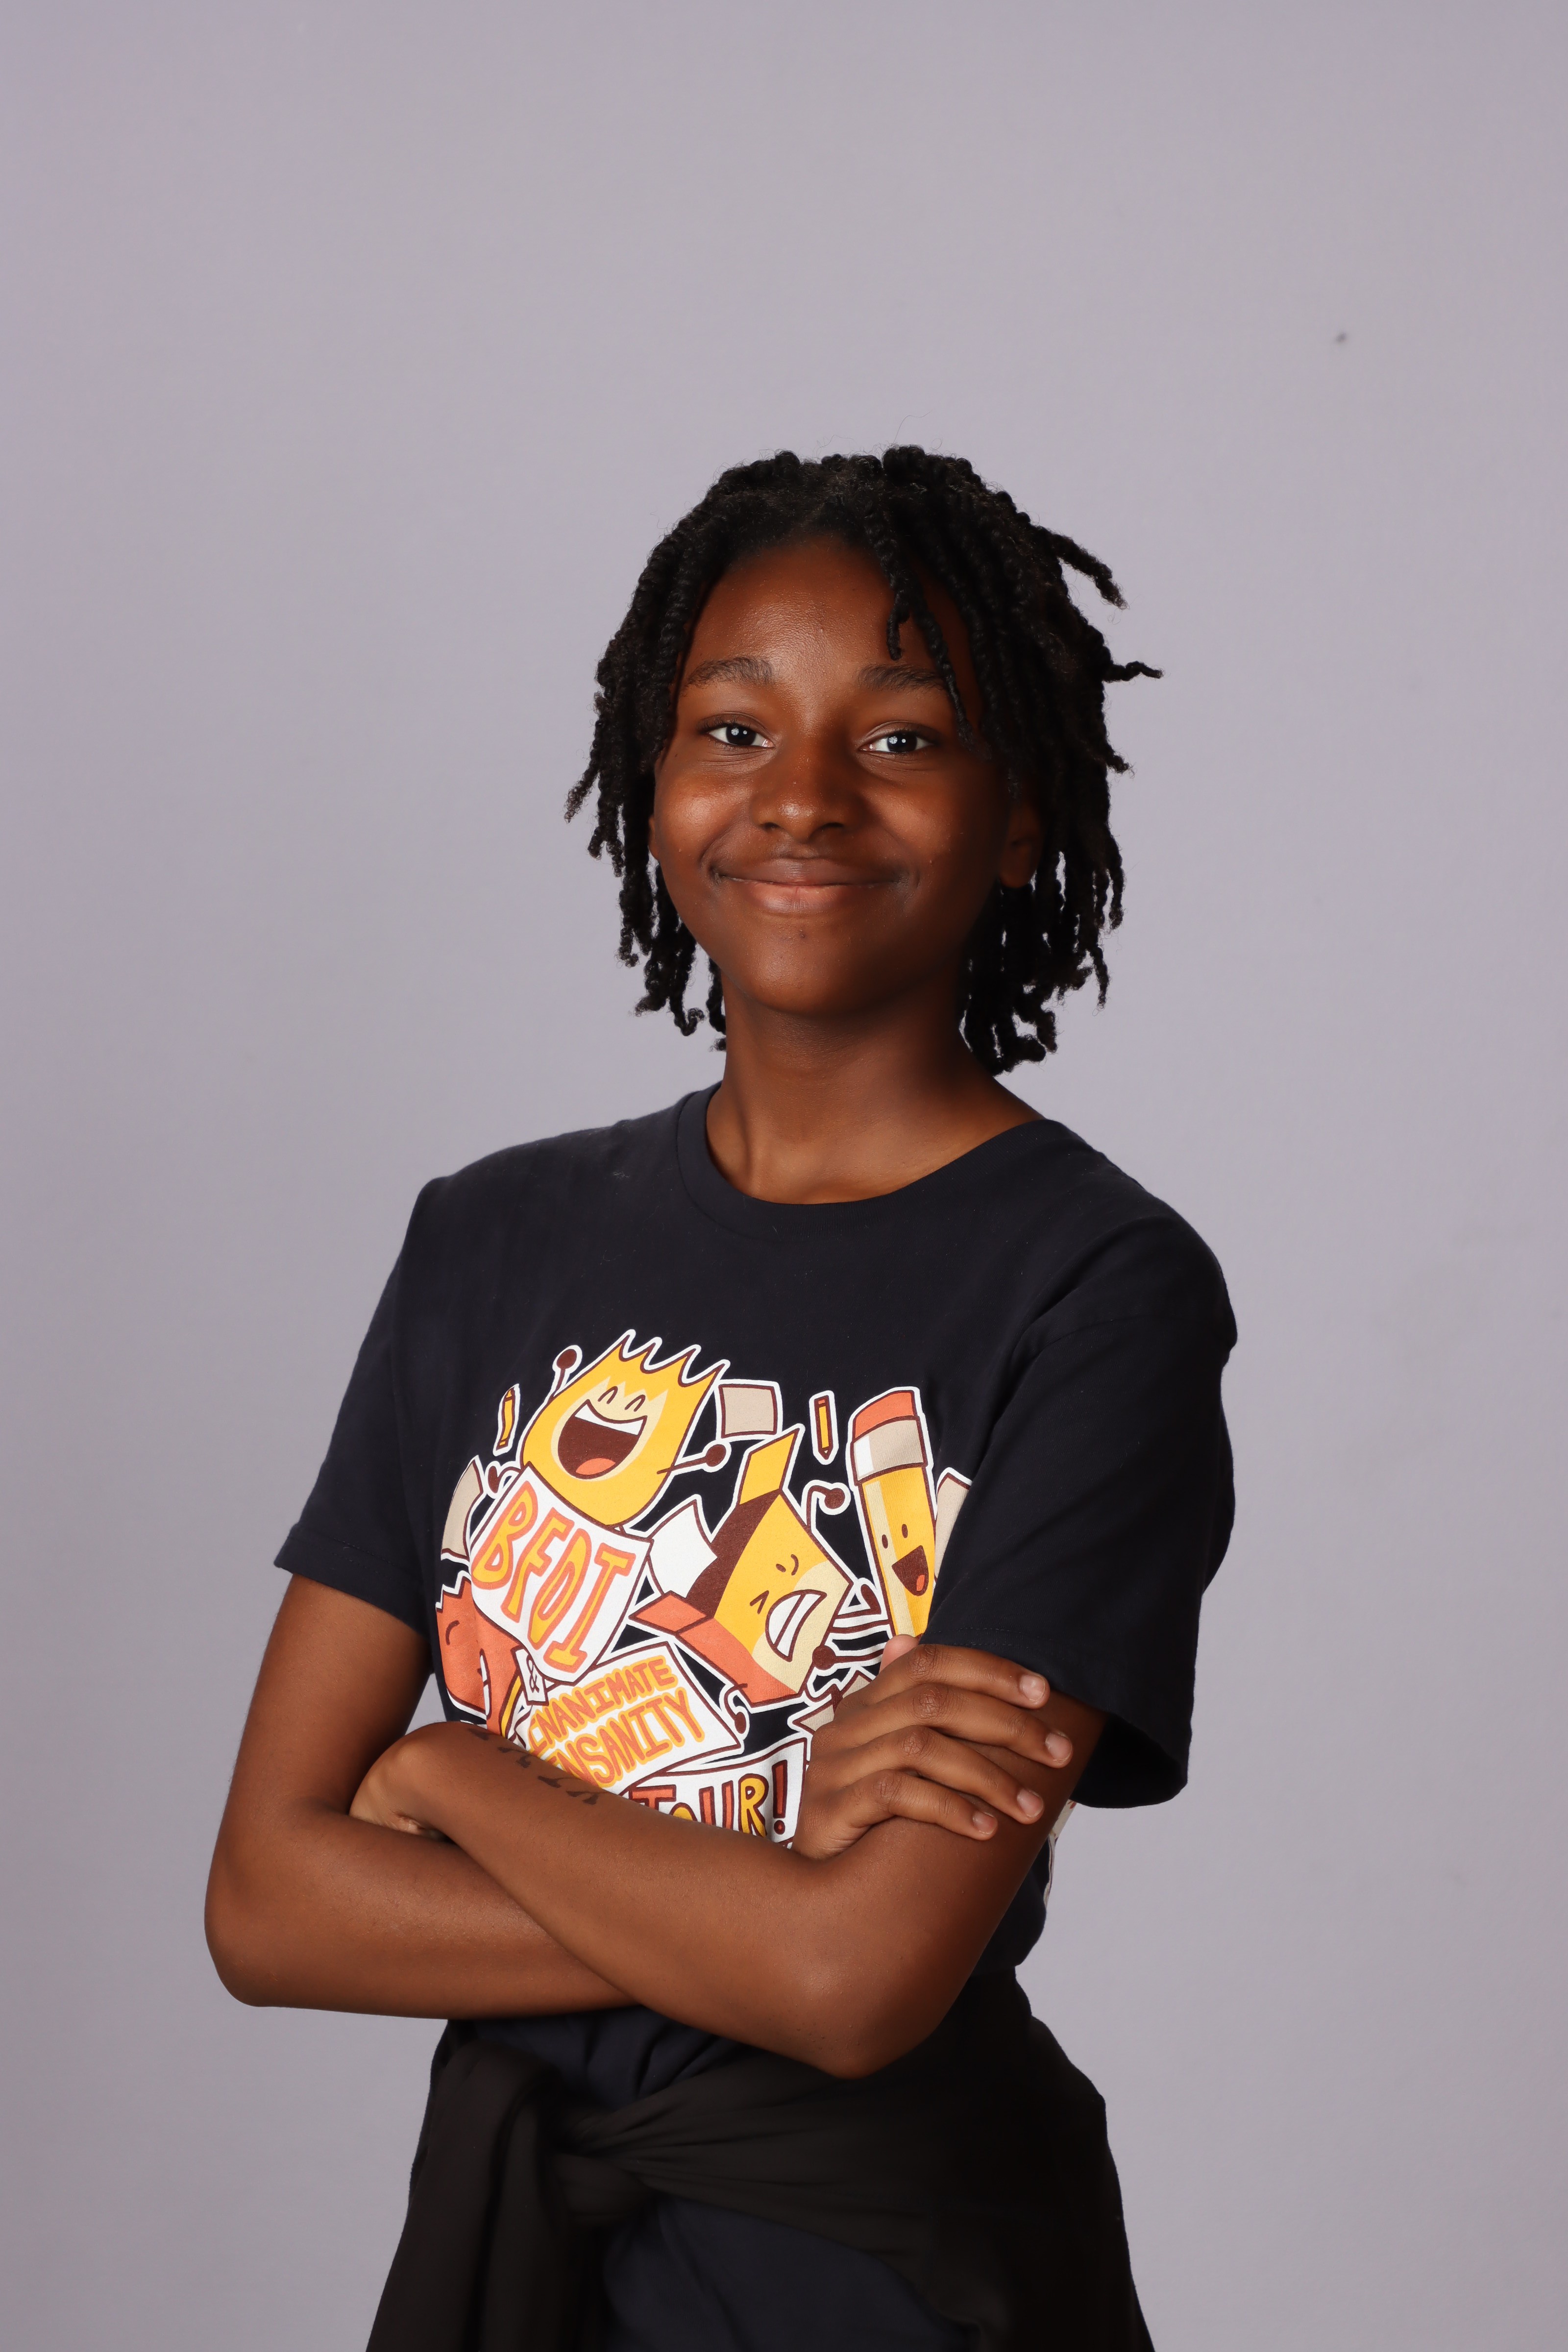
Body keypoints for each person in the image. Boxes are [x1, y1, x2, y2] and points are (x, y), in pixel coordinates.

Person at [206, 447, 1236, 2352]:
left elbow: (857, 1986)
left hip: (882, 2277)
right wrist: (769, 1873)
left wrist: (450, 1778)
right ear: (654, 785)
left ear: (1020, 816)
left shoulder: (1099, 1291)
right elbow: (266, 1903)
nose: (803, 796)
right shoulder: (489, 1237)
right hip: (511, 2253)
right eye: (734, 729)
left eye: (902, 737)